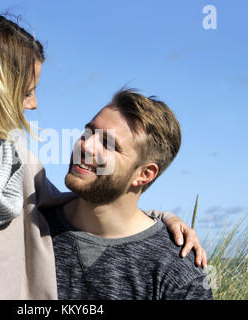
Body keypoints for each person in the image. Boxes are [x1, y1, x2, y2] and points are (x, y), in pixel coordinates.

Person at [0, 14, 206, 300]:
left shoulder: (17, 158)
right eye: (26, 92)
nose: (33, 105)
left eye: (108, 143)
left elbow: (78, 203)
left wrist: (161, 221)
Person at [43, 89, 212, 299]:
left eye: (108, 144)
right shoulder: (29, 225)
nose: (85, 146)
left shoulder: (177, 274)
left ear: (144, 174)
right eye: (88, 132)